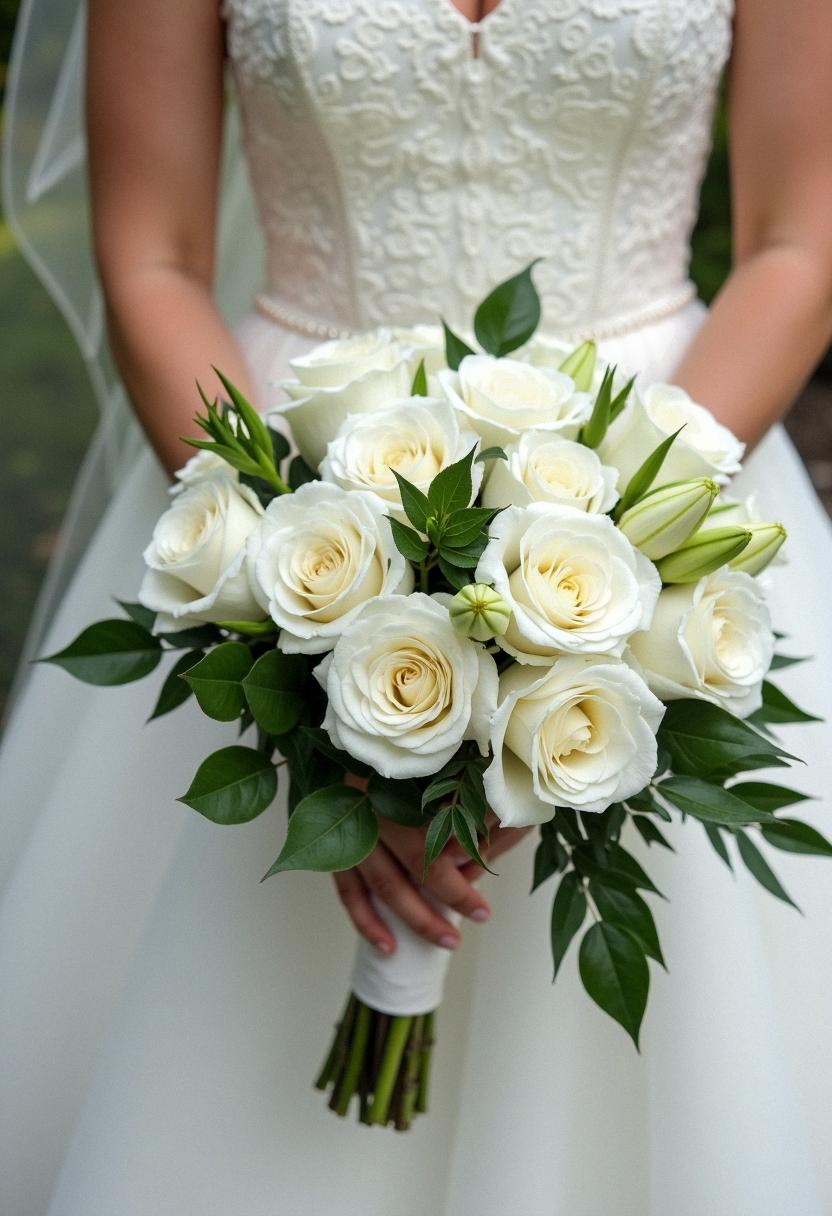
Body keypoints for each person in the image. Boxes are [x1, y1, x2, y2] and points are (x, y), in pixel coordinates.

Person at [1, 1, 831, 1213]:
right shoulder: (287, 534)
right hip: (291, 468)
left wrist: (618, 569)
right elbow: (151, 257)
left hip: (670, 456)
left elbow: (796, 245)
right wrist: (303, 607)